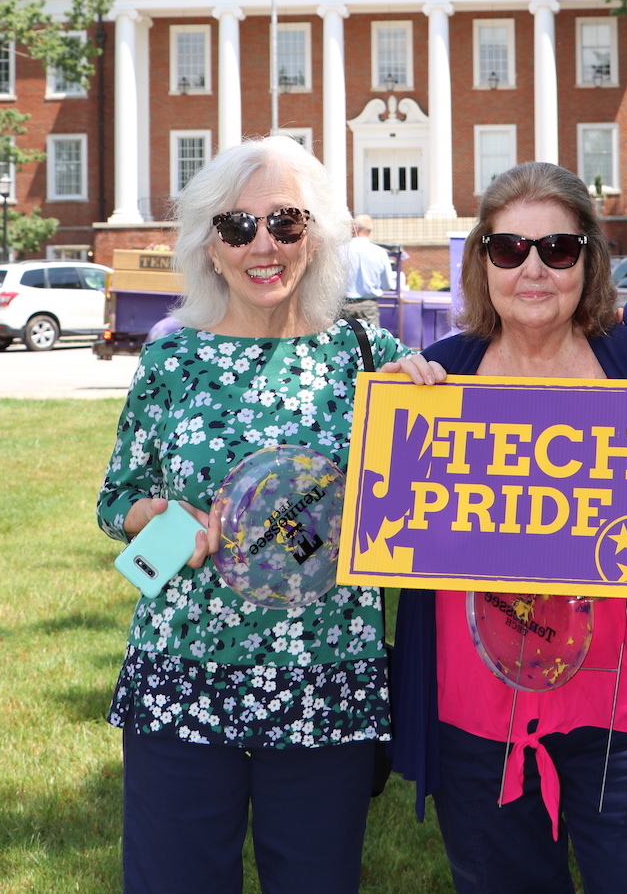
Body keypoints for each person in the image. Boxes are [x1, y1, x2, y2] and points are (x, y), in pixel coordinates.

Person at [96, 135, 443, 894]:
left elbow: (424, 503)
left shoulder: (365, 353)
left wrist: (426, 413)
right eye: (237, 227)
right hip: (181, 674)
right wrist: (157, 517)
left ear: (315, 237)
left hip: (325, 682)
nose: (263, 245)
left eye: (286, 223)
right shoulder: (171, 360)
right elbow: (117, 498)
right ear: (208, 247)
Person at [392, 162, 627, 894]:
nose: (534, 268)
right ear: (483, 260)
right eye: (510, 249)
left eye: (559, 249)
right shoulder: (440, 377)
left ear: (589, 259)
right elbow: (381, 521)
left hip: (622, 715)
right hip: (477, 722)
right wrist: (400, 426)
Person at [340, 213, 396, 326]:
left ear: (354, 228)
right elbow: (387, 285)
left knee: (343, 342)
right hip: (369, 306)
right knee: (370, 342)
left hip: (344, 305)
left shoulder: (341, 250)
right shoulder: (380, 253)